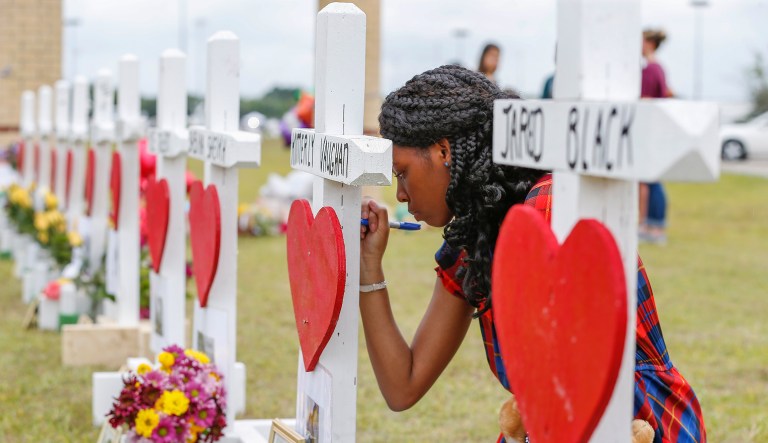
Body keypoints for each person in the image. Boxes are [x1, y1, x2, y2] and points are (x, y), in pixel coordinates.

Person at [360, 65, 705, 442]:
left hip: (639, 421)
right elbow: (403, 386)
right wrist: (369, 266)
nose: (401, 195)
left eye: (402, 172)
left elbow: (578, 376)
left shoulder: (552, 208)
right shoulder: (474, 241)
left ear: (444, 150)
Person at [640, 29, 673, 244]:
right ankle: (653, 225)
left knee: (646, 180)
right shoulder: (658, 68)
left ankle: (649, 226)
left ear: (649, 43)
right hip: (655, 129)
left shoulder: (651, 69)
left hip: (647, 129)